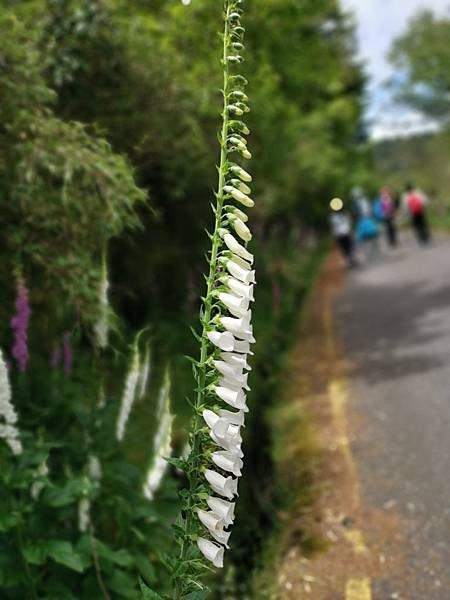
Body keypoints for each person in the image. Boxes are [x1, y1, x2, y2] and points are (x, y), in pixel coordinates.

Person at [351, 187, 380, 262]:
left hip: (365, 222)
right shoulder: (363, 201)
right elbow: (370, 211)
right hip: (366, 221)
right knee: (370, 238)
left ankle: (372, 254)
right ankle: (372, 254)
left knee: (369, 239)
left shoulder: (358, 203)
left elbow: (355, 215)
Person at [329, 197, 356, 267]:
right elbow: (349, 223)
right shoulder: (345, 214)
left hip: (339, 235)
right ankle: (350, 258)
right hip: (346, 233)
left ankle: (348, 259)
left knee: (344, 248)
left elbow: (333, 227)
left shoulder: (332, 217)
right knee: (349, 246)